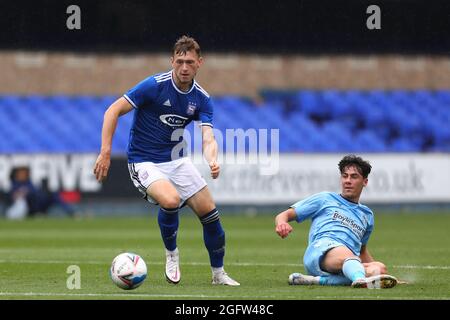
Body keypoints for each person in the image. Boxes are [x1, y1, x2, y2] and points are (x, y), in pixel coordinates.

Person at [94, 35, 239, 286]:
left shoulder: (202, 98)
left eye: (190, 62)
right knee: (171, 200)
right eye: (180, 61)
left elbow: (208, 137)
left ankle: (219, 274)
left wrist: (212, 160)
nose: (184, 67)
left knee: (210, 213)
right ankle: (172, 254)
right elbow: (113, 110)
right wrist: (105, 151)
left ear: (199, 64)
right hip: (143, 161)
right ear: (172, 61)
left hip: (176, 161)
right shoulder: (154, 85)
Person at [275, 155, 398, 288]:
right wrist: (282, 223)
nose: (348, 181)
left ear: (365, 182)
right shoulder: (325, 199)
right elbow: (284, 215)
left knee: (379, 268)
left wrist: (382, 276)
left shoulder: (367, 215)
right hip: (321, 251)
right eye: (345, 176)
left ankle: (316, 280)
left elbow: (362, 252)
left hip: (349, 262)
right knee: (348, 256)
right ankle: (360, 279)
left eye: (354, 177)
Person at [5, 166, 75, 219]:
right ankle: (36, 213)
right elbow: (12, 197)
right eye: (21, 173)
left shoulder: (29, 183)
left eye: (25, 173)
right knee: (23, 201)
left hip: (37, 204)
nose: (23, 175)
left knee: (54, 195)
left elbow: (35, 191)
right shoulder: (14, 184)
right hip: (24, 207)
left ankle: (71, 212)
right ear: (17, 174)